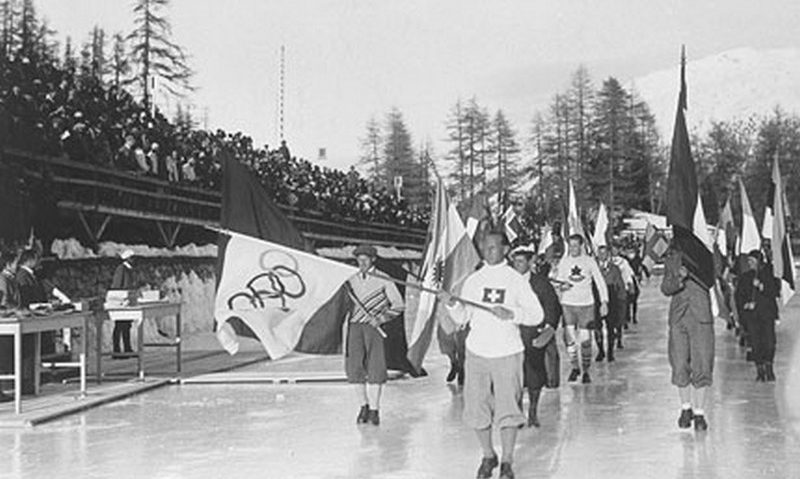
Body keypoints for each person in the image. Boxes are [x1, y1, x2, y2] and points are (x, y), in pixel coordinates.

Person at [439, 232, 544, 479]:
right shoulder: (473, 280)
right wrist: (452, 304)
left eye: (494, 247)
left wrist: (512, 313)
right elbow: (462, 318)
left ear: (505, 249)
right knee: (476, 408)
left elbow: (537, 315)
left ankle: (507, 460)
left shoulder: (515, 280)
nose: (489, 251)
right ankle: (488, 455)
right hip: (477, 353)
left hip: (508, 352)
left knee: (508, 408)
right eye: (485, 247)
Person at [345, 245, 404, 426]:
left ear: (373, 260)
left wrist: (381, 318)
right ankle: (363, 406)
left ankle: (374, 409)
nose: (362, 262)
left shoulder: (383, 279)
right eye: (359, 259)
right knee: (355, 368)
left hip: (374, 328)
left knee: (376, 368)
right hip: (355, 327)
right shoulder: (350, 278)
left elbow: (398, 305)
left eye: (366, 259)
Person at [660, 244, 714, 431]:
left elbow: (713, 279)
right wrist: (678, 278)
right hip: (678, 317)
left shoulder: (706, 253)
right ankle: (685, 408)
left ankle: (699, 413)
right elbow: (666, 288)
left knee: (702, 363)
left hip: (701, 316)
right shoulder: (672, 258)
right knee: (679, 363)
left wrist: (693, 272)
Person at [510, 246, 561, 428]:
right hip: (511, 336)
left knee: (534, 375)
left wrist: (548, 329)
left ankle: (532, 411)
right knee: (513, 377)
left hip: (533, 336)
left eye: (521, 261)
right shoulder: (506, 282)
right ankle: (516, 411)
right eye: (515, 261)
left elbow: (552, 306)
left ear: (530, 263)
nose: (517, 265)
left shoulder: (540, 283)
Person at [552, 234, 608, 384]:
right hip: (568, 304)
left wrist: (604, 301)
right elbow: (558, 281)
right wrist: (561, 286)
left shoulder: (589, 262)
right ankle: (574, 367)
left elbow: (600, 281)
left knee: (585, 340)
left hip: (586, 305)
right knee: (569, 338)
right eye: (570, 245)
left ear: (581, 246)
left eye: (576, 245)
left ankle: (586, 370)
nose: (573, 248)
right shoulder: (564, 262)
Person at [734, 250, 779, 382]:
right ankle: (760, 370)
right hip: (752, 316)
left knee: (769, 342)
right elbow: (739, 297)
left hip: (767, 315)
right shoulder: (745, 277)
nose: (750, 264)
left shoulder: (769, 275)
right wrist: (745, 306)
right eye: (749, 261)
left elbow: (774, 292)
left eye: (753, 261)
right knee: (756, 343)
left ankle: (769, 367)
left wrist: (761, 286)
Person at [595, 246, 627, 363]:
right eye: (600, 253)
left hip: (611, 298)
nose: (602, 256)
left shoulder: (614, 268)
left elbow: (620, 284)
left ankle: (610, 352)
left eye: (604, 253)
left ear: (608, 254)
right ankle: (600, 351)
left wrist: (622, 300)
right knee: (597, 327)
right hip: (597, 297)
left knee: (610, 326)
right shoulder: (594, 268)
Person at [110, 249, 138, 357]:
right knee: (119, 326)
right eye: (132, 258)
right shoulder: (121, 269)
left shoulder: (129, 270)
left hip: (128, 301)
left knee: (127, 325)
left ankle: (127, 348)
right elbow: (117, 285)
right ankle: (116, 350)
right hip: (120, 301)